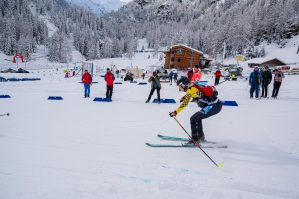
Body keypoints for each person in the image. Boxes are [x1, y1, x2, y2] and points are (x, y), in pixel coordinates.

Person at [169, 76, 222, 144]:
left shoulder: (191, 89)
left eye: (179, 86)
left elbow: (185, 103)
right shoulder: (193, 85)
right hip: (216, 104)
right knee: (197, 118)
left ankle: (195, 140)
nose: (179, 89)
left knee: (193, 118)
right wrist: (186, 96)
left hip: (213, 106)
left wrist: (176, 112)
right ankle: (200, 137)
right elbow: (196, 93)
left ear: (183, 84)